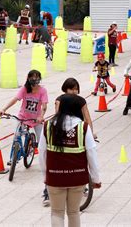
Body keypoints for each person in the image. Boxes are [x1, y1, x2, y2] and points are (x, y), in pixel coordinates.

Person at [39, 96, 101, 227]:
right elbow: (91, 153)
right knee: (73, 212)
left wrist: (46, 176)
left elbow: (42, 152)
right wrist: (95, 179)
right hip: (77, 178)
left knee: (56, 212)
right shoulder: (83, 127)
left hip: (55, 178)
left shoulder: (48, 125)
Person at [41, 78, 95, 207]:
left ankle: (82, 184)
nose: (74, 91)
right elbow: (57, 116)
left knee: (84, 156)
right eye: (71, 88)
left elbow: (87, 117)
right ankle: (47, 191)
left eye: (76, 88)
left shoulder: (81, 101)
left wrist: (91, 133)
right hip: (62, 132)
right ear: (65, 89)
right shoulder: (60, 100)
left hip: (79, 130)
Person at [0, 70, 48, 154]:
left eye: (36, 77)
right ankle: (14, 157)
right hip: (23, 117)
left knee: (42, 142)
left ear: (40, 78)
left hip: (36, 119)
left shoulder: (42, 90)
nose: (34, 79)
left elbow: (44, 105)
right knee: (16, 136)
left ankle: (33, 149)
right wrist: (4, 109)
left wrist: (41, 116)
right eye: (32, 77)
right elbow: (15, 99)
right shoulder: (24, 89)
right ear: (28, 78)